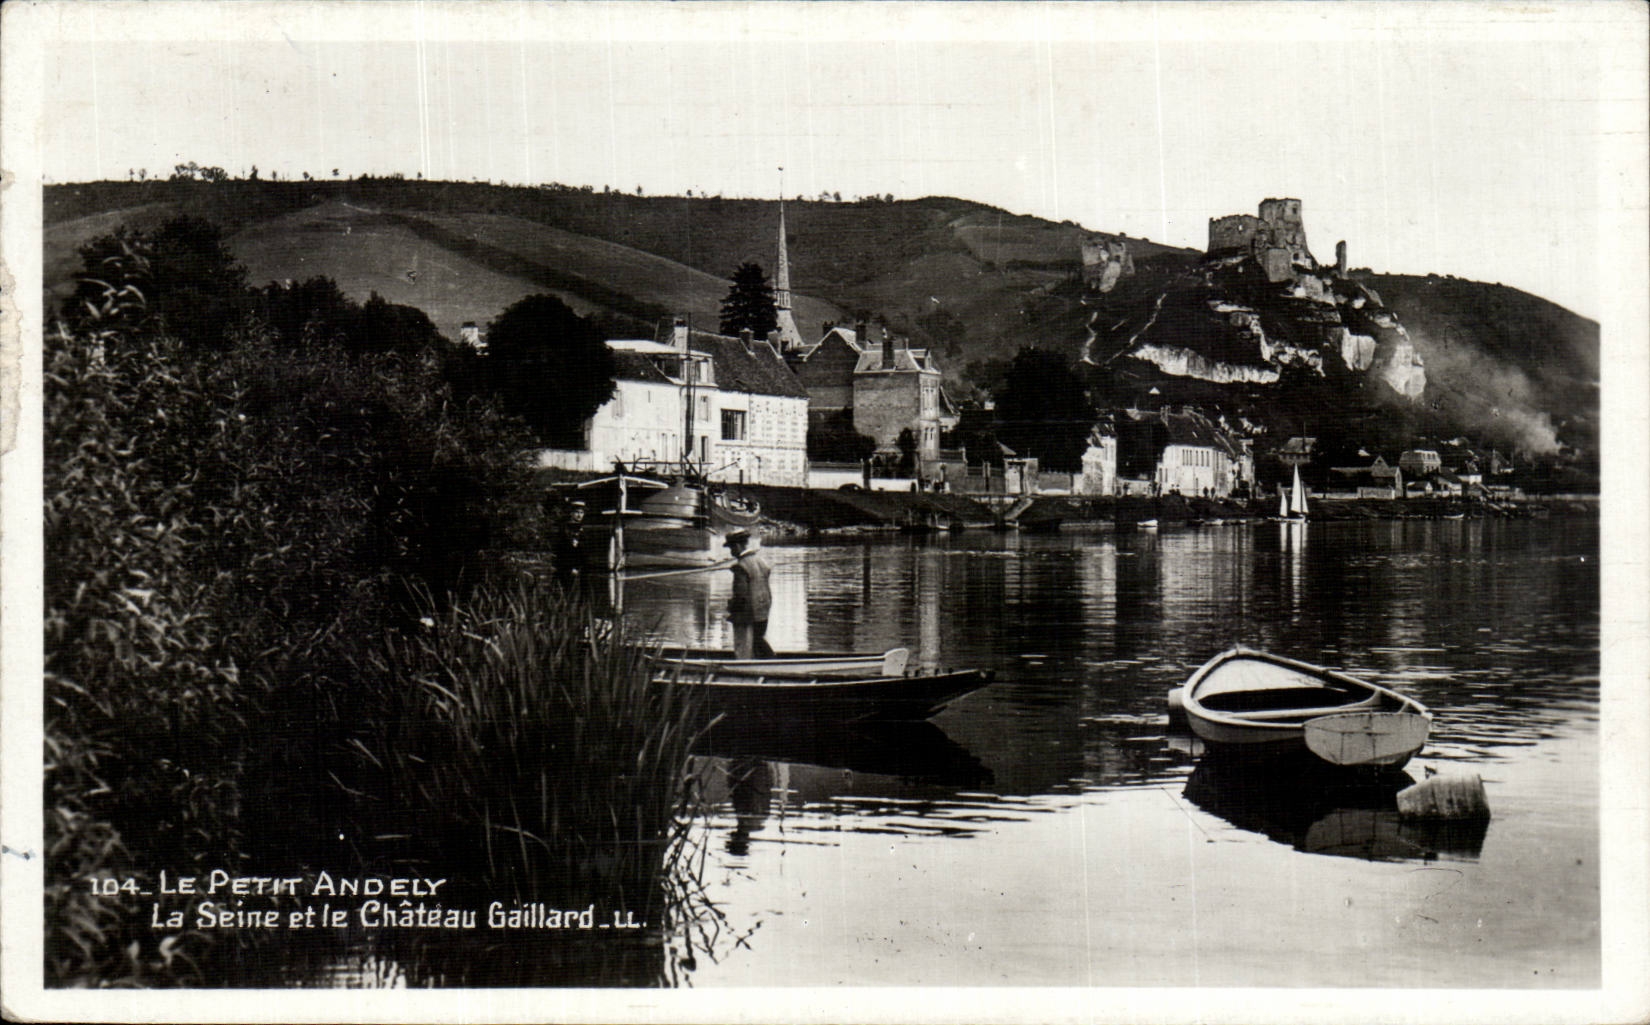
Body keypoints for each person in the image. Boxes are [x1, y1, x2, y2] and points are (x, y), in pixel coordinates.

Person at [724, 529, 774, 659]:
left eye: (731, 548)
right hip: (763, 611)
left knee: (744, 648)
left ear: (738, 546)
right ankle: (771, 661)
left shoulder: (740, 567)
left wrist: (730, 609)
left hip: (746, 615)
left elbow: (741, 596)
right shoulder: (761, 561)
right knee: (758, 640)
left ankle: (746, 669)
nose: (731, 552)